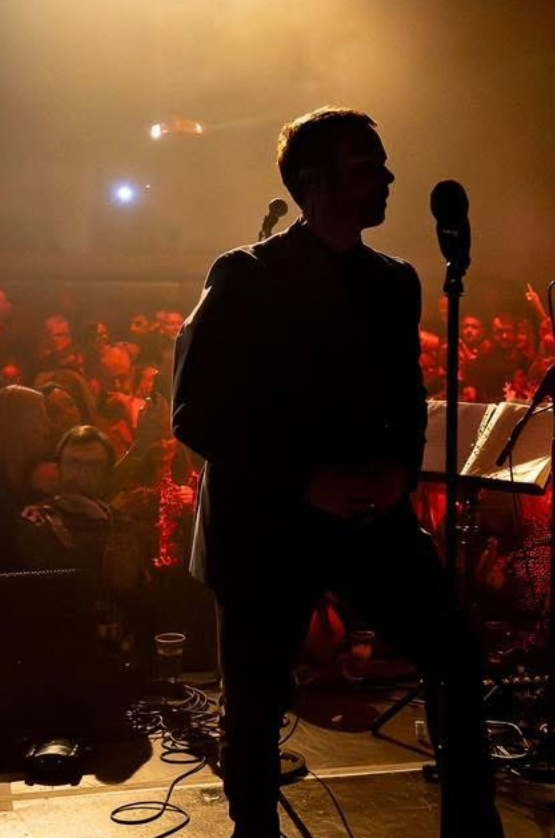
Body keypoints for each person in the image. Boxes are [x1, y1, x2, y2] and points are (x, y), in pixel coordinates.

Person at [172, 106, 501, 838]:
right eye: (366, 166)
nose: (387, 177)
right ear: (312, 182)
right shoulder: (246, 276)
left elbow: (408, 398)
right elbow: (194, 412)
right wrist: (303, 480)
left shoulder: (395, 282)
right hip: (266, 523)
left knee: (455, 654)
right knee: (256, 701)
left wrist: (400, 473)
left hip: (367, 516)